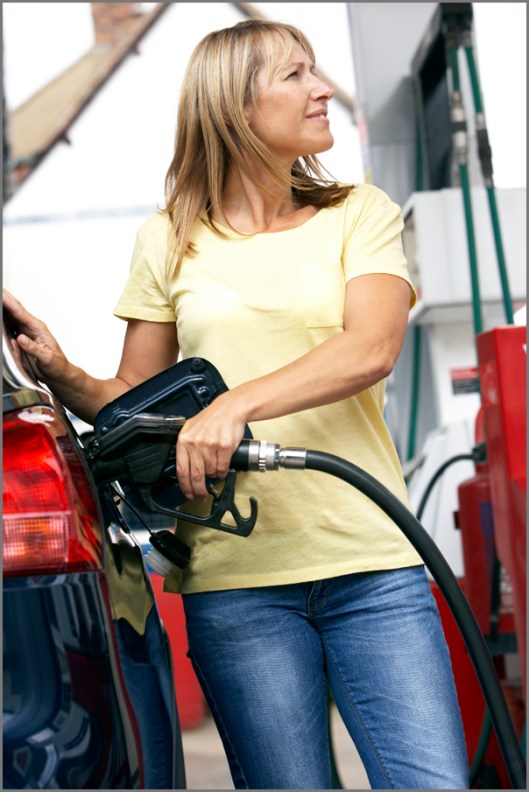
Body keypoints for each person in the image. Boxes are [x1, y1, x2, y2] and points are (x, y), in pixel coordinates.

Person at [4, 19, 470, 790]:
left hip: (371, 568)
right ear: (233, 107)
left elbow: (369, 347)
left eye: (315, 71)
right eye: (294, 76)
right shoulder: (170, 240)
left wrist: (234, 406)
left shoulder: (358, 214)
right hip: (237, 583)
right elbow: (134, 403)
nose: (320, 89)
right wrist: (61, 371)